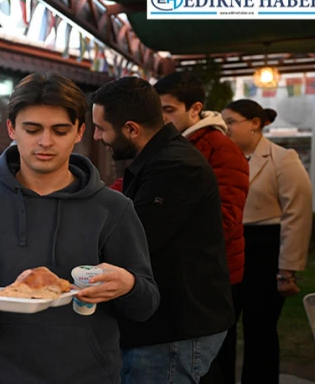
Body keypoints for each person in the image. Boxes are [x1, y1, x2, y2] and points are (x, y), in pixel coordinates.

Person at [0, 72, 160, 383]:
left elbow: (145, 305)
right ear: (11, 129)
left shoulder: (113, 208)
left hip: (89, 376)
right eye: (32, 129)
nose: (45, 142)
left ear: (79, 131)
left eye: (59, 130)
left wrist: (129, 285)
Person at [91, 77, 234, 384]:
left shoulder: (175, 166)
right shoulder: (159, 159)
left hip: (174, 327)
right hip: (167, 323)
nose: (97, 136)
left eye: (102, 128)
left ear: (131, 129)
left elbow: (133, 240)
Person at [154, 72, 250, 384]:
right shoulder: (176, 144)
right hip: (190, 270)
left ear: (195, 109)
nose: (163, 119)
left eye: (169, 110)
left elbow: (225, 219)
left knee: (206, 363)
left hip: (212, 272)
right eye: (159, 112)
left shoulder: (220, 149)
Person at [222, 99, 312, 384]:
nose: (225, 128)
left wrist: (287, 270)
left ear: (255, 124)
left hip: (265, 249)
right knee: (222, 327)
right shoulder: (222, 159)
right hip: (230, 248)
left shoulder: (283, 158)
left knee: (260, 330)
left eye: (231, 122)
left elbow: (296, 215)